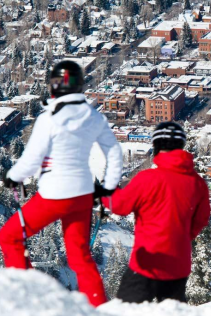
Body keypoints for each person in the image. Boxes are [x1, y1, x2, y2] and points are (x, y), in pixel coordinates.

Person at [0, 60, 123, 307]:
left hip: (54, 194)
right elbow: (114, 152)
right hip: (82, 194)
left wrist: (14, 177)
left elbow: (33, 158)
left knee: (10, 236)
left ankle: (29, 296)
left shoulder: (49, 118)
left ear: (54, 87)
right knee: (80, 257)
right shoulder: (93, 116)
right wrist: (107, 186)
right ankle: (99, 307)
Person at [95, 122, 211, 304]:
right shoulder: (197, 184)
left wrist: (105, 191)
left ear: (156, 147)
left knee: (127, 311)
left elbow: (120, 206)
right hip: (178, 265)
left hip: (146, 263)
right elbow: (202, 219)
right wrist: (182, 236)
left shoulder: (147, 179)